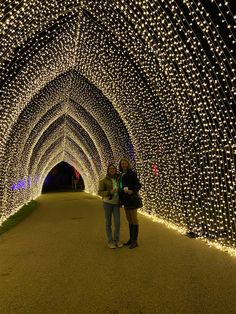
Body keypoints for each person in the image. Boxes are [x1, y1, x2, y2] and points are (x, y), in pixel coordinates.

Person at [119, 157, 142, 249]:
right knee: (129, 219)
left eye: (124, 163)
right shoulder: (121, 175)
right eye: (122, 163)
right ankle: (131, 239)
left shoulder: (132, 173)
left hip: (132, 198)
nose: (123, 165)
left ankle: (135, 241)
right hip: (126, 199)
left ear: (128, 164)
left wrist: (132, 191)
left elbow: (138, 184)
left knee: (134, 219)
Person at [98, 164, 123, 249]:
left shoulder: (118, 179)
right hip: (107, 203)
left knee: (117, 222)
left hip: (116, 203)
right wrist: (110, 192)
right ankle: (110, 241)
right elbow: (100, 192)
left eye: (113, 168)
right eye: (110, 168)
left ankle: (116, 240)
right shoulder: (103, 181)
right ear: (108, 170)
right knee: (108, 222)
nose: (112, 170)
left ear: (115, 170)